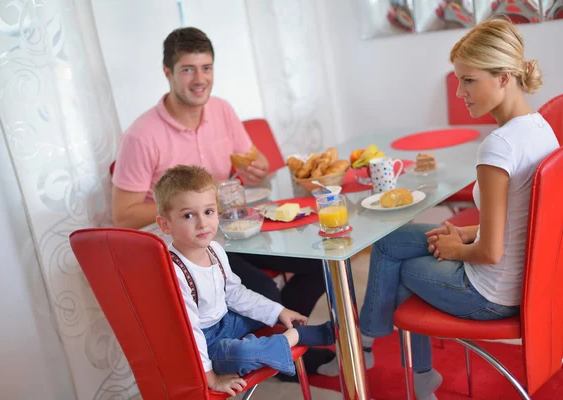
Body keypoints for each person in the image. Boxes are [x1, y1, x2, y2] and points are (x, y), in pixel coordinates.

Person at [319, 18, 559, 399]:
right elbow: (522, 219)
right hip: (525, 282)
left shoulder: (499, 147)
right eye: (459, 79)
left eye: (469, 79)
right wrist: (465, 233)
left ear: (504, 77)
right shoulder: (541, 129)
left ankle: (402, 367)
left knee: (397, 269)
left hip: (489, 294)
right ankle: (365, 344)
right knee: (390, 242)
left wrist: (456, 250)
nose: (461, 91)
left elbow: (490, 252)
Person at [110, 27, 327, 326]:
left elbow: (254, 159)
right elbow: (123, 216)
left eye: (206, 68)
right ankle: (278, 341)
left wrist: (258, 168)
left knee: (320, 261)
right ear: (167, 72)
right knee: (262, 292)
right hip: (187, 248)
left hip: (233, 232)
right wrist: (195, 206)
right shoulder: (140, 136)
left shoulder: (222, 109)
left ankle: (282, 338)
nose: (200, 80)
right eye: (188, 69)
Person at [153, 165, 334, 396]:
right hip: (205, 342)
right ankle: (294, 337)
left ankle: (271, 341)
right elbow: (189, 331)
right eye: (189, 215)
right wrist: (212, 379)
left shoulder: (215, 250)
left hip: (227, 321)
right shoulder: (175, 272)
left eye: (209, 212)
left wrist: (279, 311)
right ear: (165, 225)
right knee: (242, 355)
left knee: (262, 308)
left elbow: (235, 294)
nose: (202, 223)